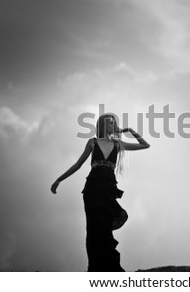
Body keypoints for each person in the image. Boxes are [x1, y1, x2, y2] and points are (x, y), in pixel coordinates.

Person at [50, 113, 150, 271]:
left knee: (104, 226)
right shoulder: (93, 141)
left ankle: (110, 268)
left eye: (114, 123)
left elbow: (145, 145)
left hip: (108, 188)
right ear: (103, 125)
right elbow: (78, 164)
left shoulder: (118, 144)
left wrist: (130, 131)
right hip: (92, 188)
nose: (114, 125)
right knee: (94, 228)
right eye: (110, 123)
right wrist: (58, 180)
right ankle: (96, 269)